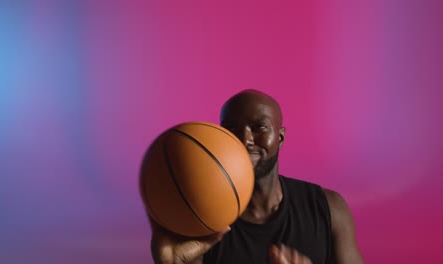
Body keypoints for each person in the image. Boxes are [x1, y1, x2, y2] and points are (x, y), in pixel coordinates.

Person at [149, 89, 363, 264]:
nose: (245, 140)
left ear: (280, 138)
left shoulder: (329, 208)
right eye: (230, 129)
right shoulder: (202, 219)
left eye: (259, 127)